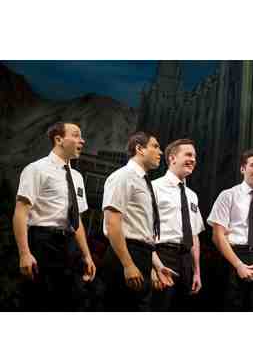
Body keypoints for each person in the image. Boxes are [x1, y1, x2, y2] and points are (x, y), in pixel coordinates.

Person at [13, 121, 96, 311]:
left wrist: (87, 255)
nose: (82, 140)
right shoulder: (36, 169)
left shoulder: (77, 177)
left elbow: (77, 220)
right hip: (43, 243)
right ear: (59, 139)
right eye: (76, 135)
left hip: (70, 247)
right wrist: (24, 253)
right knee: (39, 303)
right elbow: (21, 212)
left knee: (70, 303)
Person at [100, 131, 172, 311]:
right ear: (140, 149)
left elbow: (142, 231)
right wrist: (128, 264)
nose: (160, 152)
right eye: (155, 146)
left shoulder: (144, 182)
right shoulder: (123, 176)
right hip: (125, 254)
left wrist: (157, 266)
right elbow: (112, 223)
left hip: (142, 255)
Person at [209, 150, 253, 312]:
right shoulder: (228, 196)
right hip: (233, 257)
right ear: (242, 169)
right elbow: (217, 235)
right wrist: (238, 265)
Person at [151, 139, 205, 311]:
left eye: (194, 156)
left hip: (186, 261)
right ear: (172, 158)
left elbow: (194, 235)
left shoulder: (192, 196)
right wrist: (153, 267)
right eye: (188, 155)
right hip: (162, 256)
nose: (193, 160)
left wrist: (196, 272)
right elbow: (144, 231)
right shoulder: (154, 188)